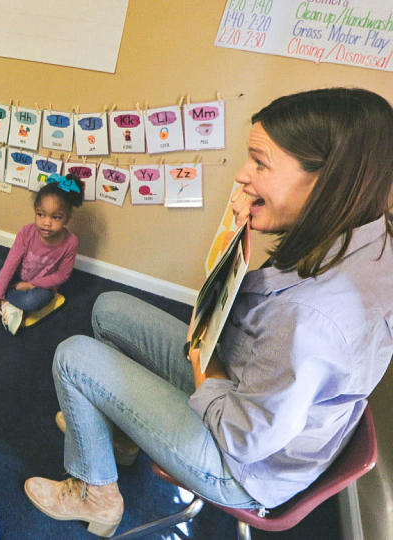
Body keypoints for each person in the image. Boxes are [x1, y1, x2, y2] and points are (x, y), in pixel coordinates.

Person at [24, 87, 393, 537]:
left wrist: (204, 362)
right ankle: (120, 438)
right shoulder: (367, 231)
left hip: (243, 465)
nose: (242, 175)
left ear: (327, 180)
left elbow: (242, 436)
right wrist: (233, 248)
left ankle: (94, 494)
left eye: (260, 162)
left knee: (73, 357)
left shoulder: (312, 319)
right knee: (107, 308)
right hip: (252, 391)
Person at [0, 174, 83, 334]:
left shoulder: (71, 242)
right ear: (35, 212)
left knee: (31, 301)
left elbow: (61, 276)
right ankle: (4, 302)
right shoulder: (27, 232)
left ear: (68, 218)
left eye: (56, 217)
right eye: (41, 214)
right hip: (17, 277)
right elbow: (10, 265)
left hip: (41, 288)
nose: (47, 222)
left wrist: (31, 284)